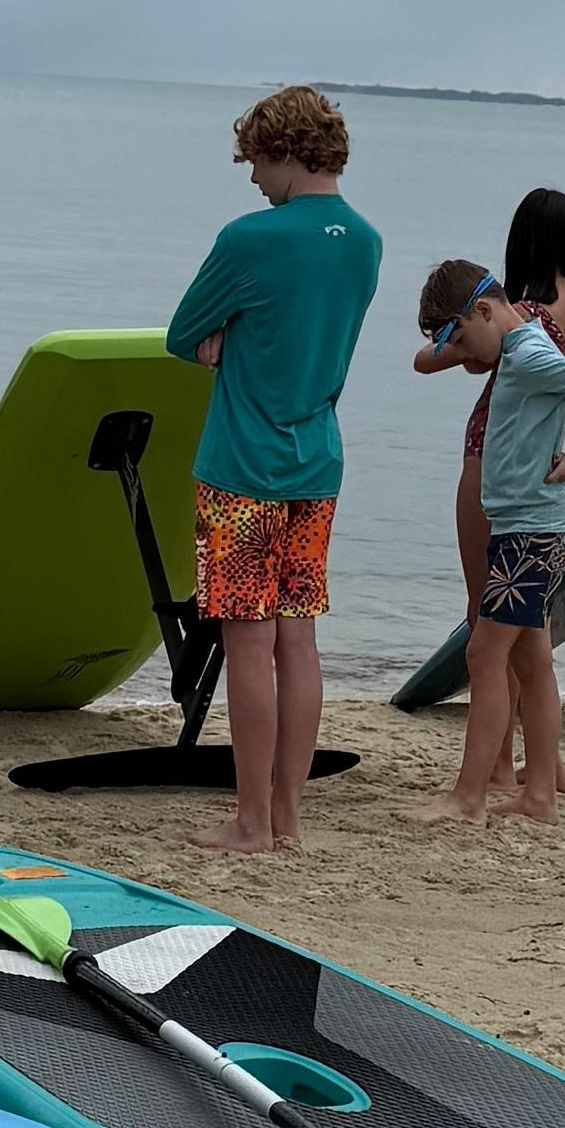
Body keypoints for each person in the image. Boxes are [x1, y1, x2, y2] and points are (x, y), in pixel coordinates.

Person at [164, 86, 383, 860]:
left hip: (242, 465)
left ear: (285, 150)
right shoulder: (366, 241)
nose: (253, 177)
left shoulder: (250, 240)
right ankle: (288, 818)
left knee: (248, 645)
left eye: (256, 159)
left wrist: (220, 334)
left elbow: (180, 334)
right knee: (301, 642)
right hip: (317, 460)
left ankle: (251, 822)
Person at [436, 278, 565, 821]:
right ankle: (540, 793)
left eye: (461, 339)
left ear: (482, 311)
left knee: (484, 652)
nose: (464, 357)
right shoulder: (524, 351)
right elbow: (563, 394)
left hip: (530, 531)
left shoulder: (528, 355)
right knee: (531, 658)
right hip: (530, 527)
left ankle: (470, 797)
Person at [411, 184, 565, 603]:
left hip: (488, 455)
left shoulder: (523, 314)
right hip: (535, 463)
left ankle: (485, 671)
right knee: (522, 613)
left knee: (484, 602)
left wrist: (461, 338)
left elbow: (424, 359)